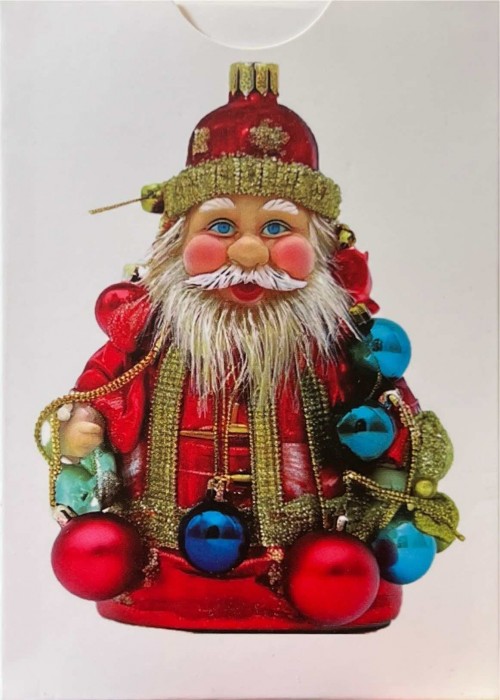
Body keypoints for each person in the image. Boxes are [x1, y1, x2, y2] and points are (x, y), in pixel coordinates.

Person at [37, 62, 460, 632]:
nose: (249, 252)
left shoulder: (337, 341)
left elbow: (385, 410)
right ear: (176, 243)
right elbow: (107, 383)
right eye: (220, 227)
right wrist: (86, 420)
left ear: (319, 246)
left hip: (312, 550)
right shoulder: (152, 332)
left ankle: (320, 579)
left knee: (334, 570)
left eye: (278, 229)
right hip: (164, 546)